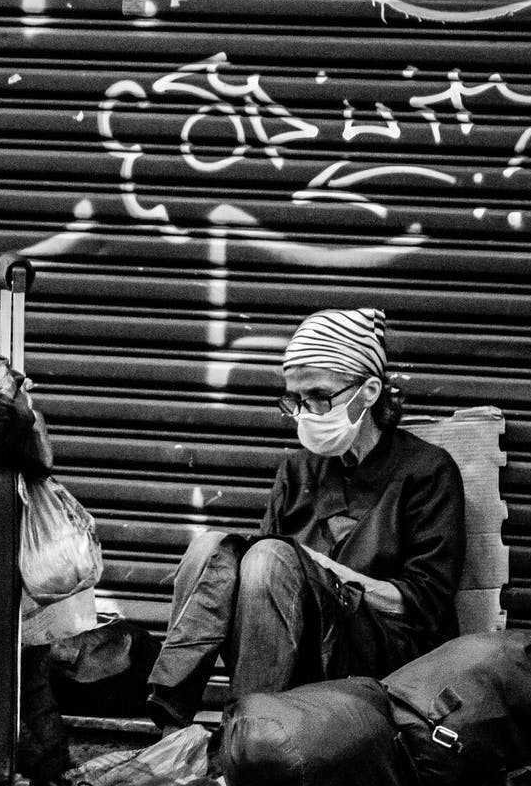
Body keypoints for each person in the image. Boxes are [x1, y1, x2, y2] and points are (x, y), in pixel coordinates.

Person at [144, 306, 466, 731]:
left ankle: (250, 734)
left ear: (369, 391)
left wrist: (315, 569)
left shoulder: (427, 470)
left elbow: (423, 605)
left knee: (273, 558)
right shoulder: (298, 471)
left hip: (377, 657)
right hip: (293, 647)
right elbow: (261, 595)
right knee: (212, 548)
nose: (304, 412)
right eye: (294, 400)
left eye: (318, 396)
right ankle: (170, 717)